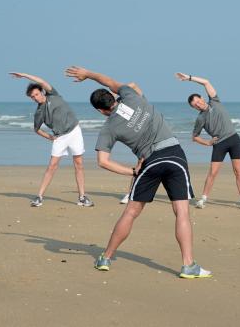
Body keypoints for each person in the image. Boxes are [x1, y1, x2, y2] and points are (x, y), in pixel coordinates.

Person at [65, 66, 212, 278]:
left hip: (149, 163)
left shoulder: (108, 128)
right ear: (113, 96)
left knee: (131, 212)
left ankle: (105, 258)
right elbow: (110, 81)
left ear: (100, 110)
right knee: (182, 213)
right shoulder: (130, 95)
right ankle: (188, 265)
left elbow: (103, 162)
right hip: (174, 156)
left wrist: (132, 172)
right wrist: (88, 74)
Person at [9, 72, 94, 208]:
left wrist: (25, 76)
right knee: (52, 166)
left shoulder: (53, 95)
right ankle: (39, 197)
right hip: (60, 137)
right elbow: (36, 129)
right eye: (32, 97)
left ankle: (82, 197)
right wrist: (49, 137)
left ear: (41, 92)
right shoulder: (39, 112)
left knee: (79, 164)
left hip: (74, 131)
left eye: (36, 94)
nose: (35, 98)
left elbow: (41, 80)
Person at [175, 72, 240, 210]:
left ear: (202, 98)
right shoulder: (200, 119)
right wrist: (208, 143)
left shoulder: (214, 101)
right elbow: (194, 137)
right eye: (195, 105)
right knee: (213, 173)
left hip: (234, 139)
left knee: (238, 170)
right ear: (193, 108)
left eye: (198, 101)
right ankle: (203, 199)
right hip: (219, 144)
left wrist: (189, 78)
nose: (198, 105)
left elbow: (206, 82)